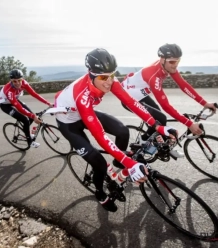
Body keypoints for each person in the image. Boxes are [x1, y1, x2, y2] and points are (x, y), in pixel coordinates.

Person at [54, 48, 177, 212]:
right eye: (103, 77)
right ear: (91, 75)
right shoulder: (81, 95)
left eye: (112, 75)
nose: (109, 81)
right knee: (98, 163)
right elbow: (100, 135)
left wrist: (157, 125)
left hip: (84, 113)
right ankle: (99, 192)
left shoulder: (109, 79)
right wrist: (130, 164)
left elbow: (132, 102)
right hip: (69, 124)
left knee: (123, 131)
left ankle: (118, 160)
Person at [121, 43, 217, 158]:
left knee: (159, 118)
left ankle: (164, 147)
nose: (175, 65)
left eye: (177, 61)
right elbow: (166, 106)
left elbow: (183, 85)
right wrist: (189, 123)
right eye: (172, 62)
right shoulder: (153, 76)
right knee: (161, 118)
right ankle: (142, 143)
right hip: (128, 98)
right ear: (162, 59)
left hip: (139, 94)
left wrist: (204, 103)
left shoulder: (167, 66)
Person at [0, 69, 53, 148]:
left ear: (22, 79)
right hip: (5, 105)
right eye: (14, 81)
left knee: (31, 117)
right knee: (26, 120)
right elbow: (18, 106)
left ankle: (26, 132)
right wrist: (33, 116)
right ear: (11, 81)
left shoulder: (24, 83)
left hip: (14, 100)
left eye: (19, 80)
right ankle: (29, 142)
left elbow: (34, 94)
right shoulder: (8, 90)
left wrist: (48, 103)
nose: (17, 83)